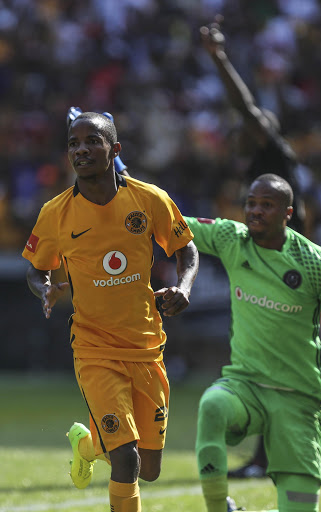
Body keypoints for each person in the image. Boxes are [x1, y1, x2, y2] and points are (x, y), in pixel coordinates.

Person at [22, 111, 199, 512]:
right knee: (126, 458)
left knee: (149, 468)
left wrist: (184, 287)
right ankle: (107, 448)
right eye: (73, 143)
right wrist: (45, 289)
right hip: (94, 349)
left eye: (92, 141)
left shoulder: (149, 199)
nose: (81, 149)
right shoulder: (56, 213)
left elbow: (186, 247)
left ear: (114, 149)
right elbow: (36, 269)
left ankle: (85, 445)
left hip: (146, 346)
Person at [200, 21, 321, 478]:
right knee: (288, 360)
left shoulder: (273, 153)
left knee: (278, 360)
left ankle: (270, 458)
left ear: (263, 129)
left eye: (248, 127)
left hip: (289, 264)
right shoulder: (260, 165)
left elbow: (245, 107)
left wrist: (219, 58)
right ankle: (298, 453)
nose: (239, 132)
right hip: (280, 260)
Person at [184, 173, 321, 512]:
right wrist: (129, 193)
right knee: (212, 405)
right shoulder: (232, 238)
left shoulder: (319, 266)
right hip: (246, 386)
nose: (255, 211)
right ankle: (217, 508)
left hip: (298, 399)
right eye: (251, 203)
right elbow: (172, 223)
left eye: (266, 205)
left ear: (288, 212)